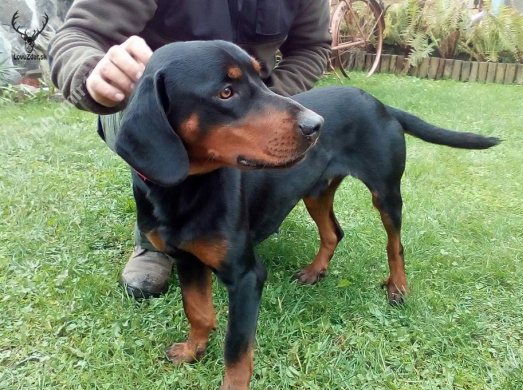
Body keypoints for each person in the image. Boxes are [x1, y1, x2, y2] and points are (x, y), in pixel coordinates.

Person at [49, 0, 332, 298]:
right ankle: (156, 238)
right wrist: (91, 71)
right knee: (152, 134)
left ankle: (226, 220)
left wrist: (262, 105)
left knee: (245, 145)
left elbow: (311, 47)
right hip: (154, 106)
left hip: (255, 96)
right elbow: (78, 34)